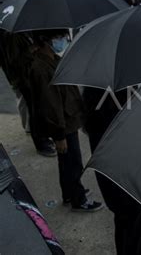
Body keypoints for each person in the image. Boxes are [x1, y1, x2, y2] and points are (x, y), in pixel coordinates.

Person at [29, 29, 103, 212]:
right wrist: (59, 134)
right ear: (45, 40)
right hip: (63, 125)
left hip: (67, 119)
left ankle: (69, 193)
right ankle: (79, 199)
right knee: (73, 162)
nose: (62, 40)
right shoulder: (40, 68)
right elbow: (50, 104)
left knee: (66, 162)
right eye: (58, 37)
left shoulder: (51, 59)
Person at [82, 88, 141, 255]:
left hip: (113, 173)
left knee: (126, 221)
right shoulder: (121, 97)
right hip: (126, 175)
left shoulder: (94, 92)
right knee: (131, 221)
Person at [0, 32, 57, 157]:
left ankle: (43, 135)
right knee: (35, 109)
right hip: (23, 78)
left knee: (38, 107)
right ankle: (41, 142)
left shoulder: (21, 31)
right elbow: (14, 61)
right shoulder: (10, 36)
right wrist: (31, 49)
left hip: (29, 74)